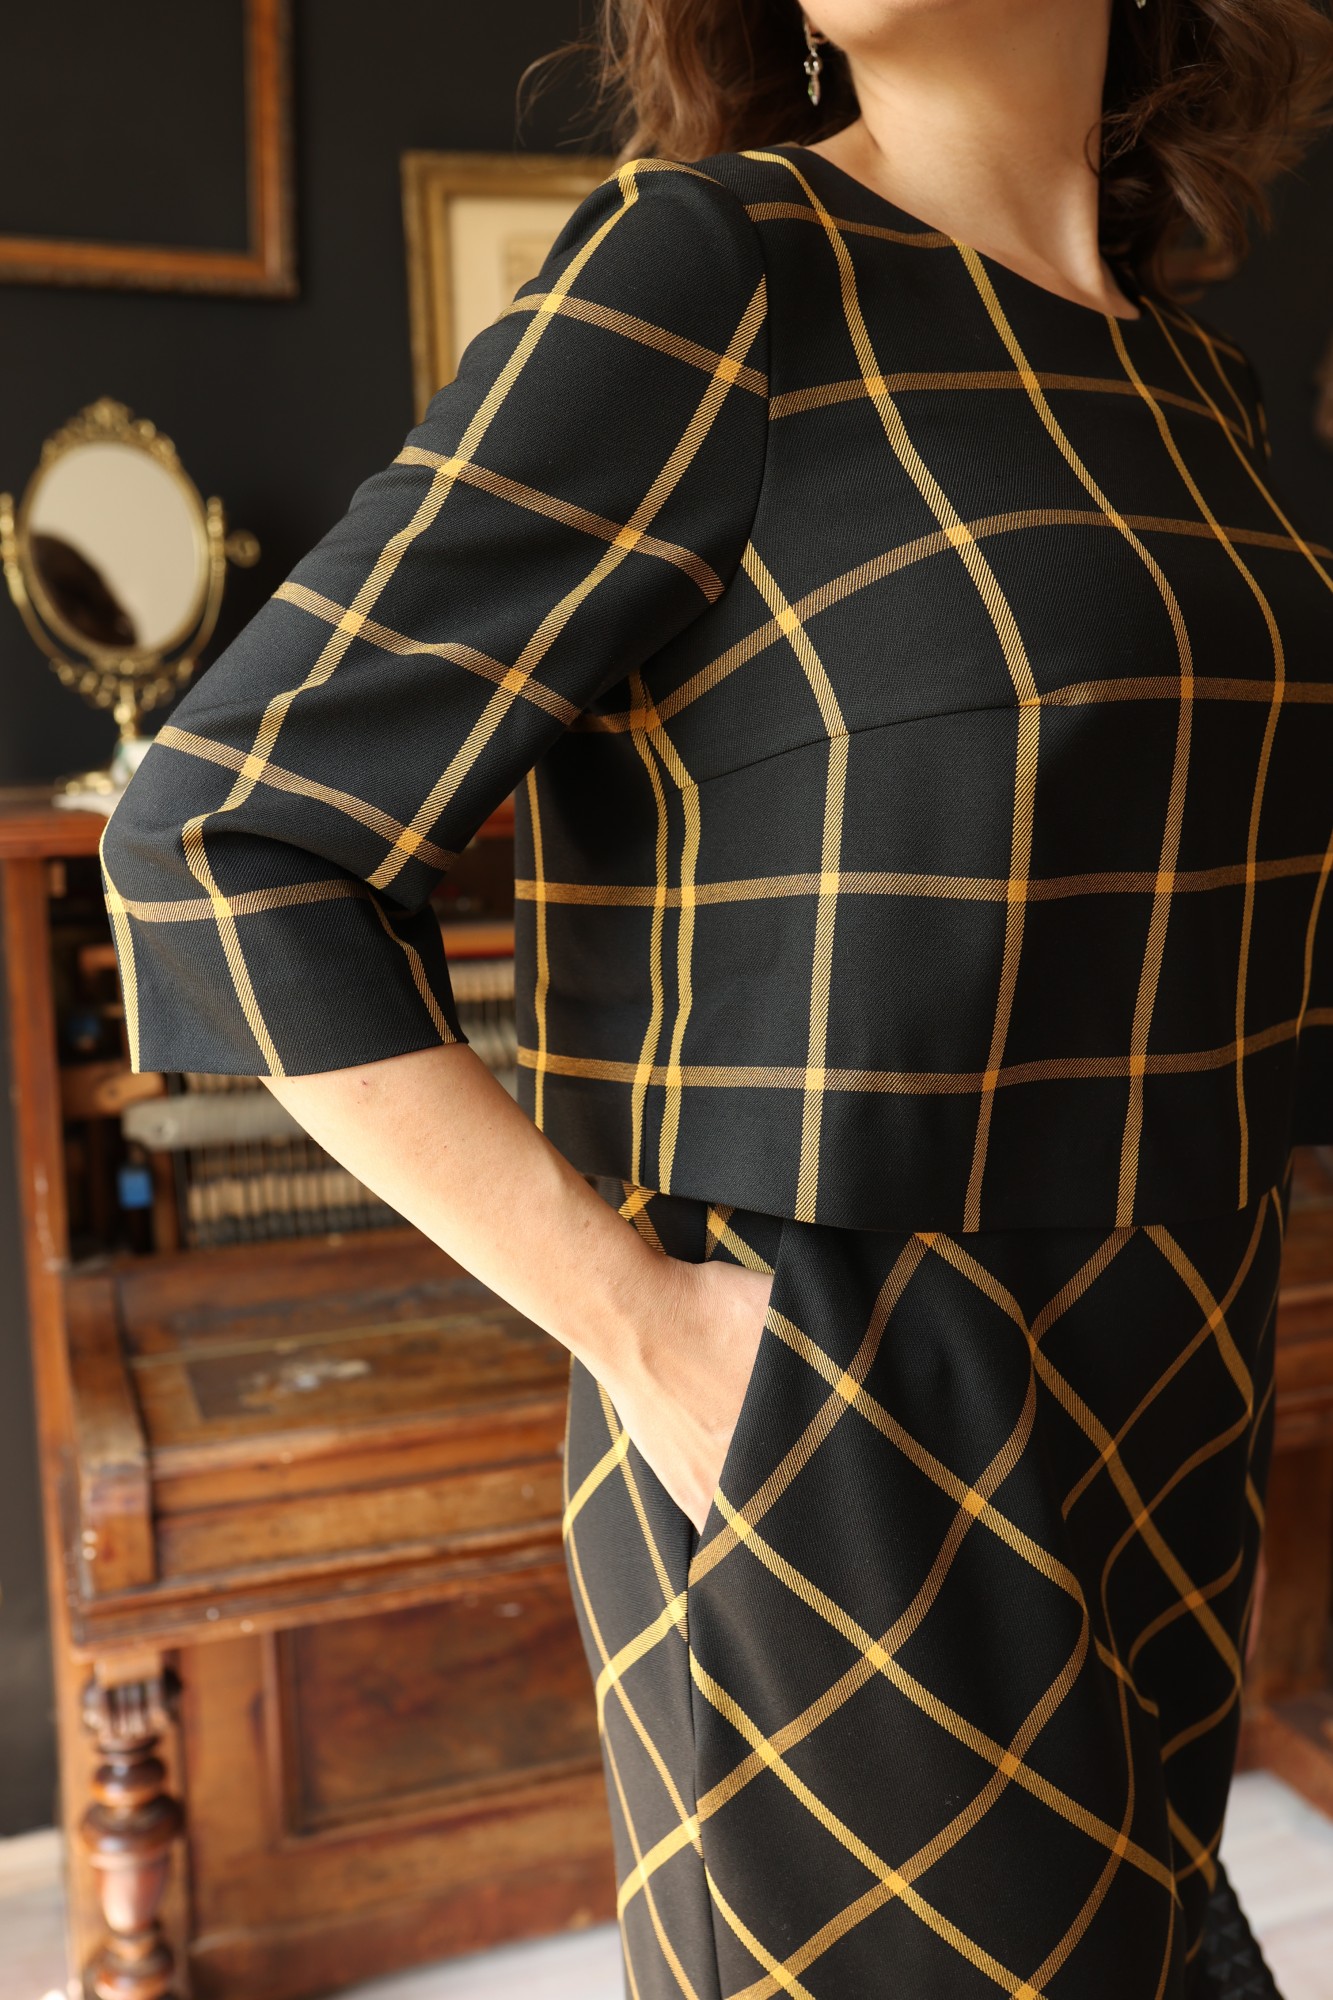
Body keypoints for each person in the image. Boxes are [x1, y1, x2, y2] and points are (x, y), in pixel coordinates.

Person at [100, 0, 1333, 1992]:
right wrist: (642, 1328)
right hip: (851, 1414)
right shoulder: (715, 270)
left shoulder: (1194, 380)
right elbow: (225, 834)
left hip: (1175, 1389)